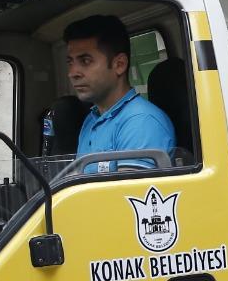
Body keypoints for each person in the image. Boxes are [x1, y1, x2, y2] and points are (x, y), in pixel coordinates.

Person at [64, 15, 175, 172]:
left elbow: (127, 195)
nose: (72, 73)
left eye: (86, 61)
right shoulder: (92, 120)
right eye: (70, 62)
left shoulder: (141, 122)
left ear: (119, 64)